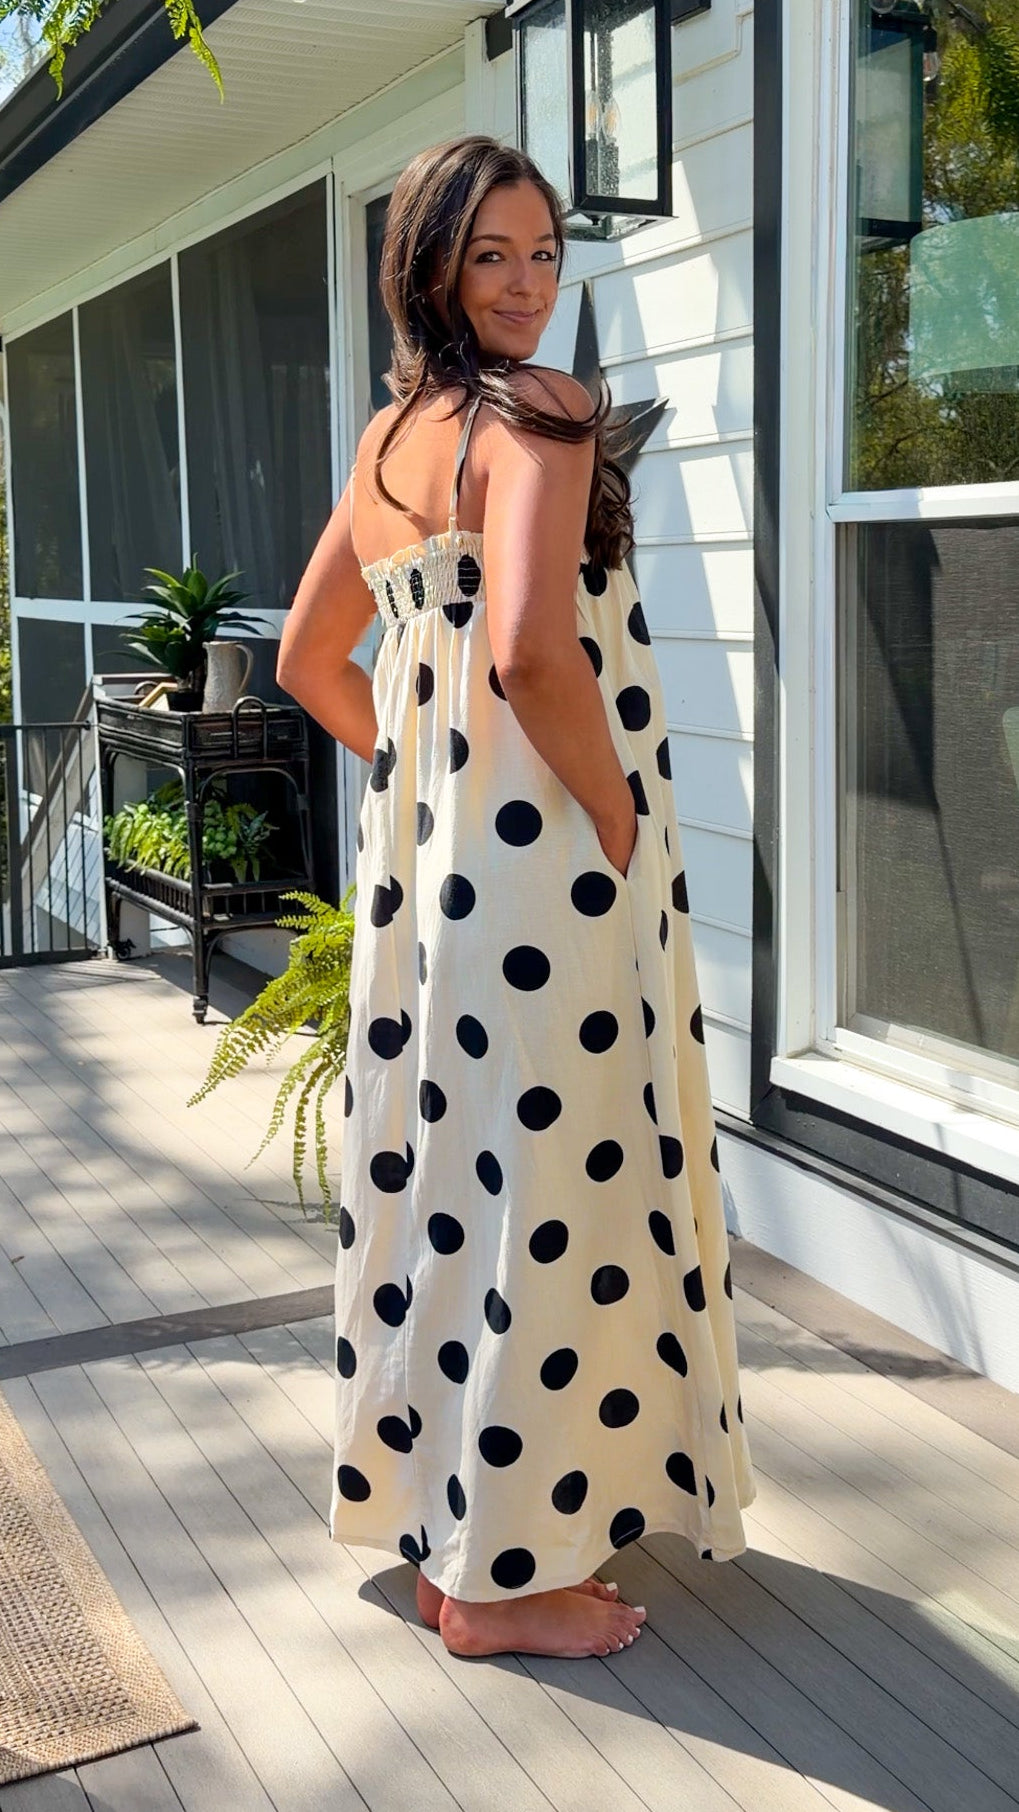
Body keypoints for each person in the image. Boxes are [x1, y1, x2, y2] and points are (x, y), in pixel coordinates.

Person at [277, 133, 756, 1662]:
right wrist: (610, 818)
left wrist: (426, 784)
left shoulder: (388, 444)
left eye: (546, 253)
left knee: (457, 1189)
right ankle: (498, 1589)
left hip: (435, 889)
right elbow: (533, 652)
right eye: (492, 254)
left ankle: (448, 1541)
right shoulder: (543, 411)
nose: (529, 284)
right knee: (554, 1196)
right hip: (551, 877)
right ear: (428, 267)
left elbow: (312, 663)